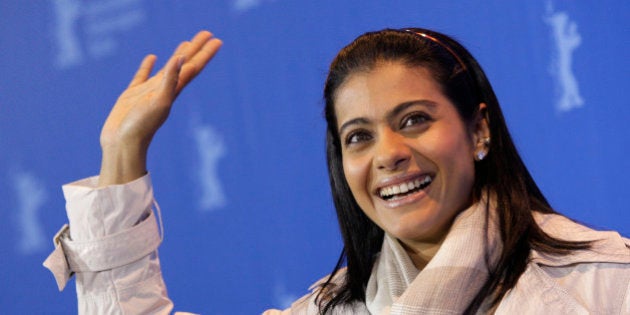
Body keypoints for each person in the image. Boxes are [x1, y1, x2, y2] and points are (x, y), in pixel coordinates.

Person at [44, 28, 630, 314]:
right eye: (359, 136)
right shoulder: (334, 310)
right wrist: (122, 153)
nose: (388, 154)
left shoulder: (603, 284)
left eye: (415, 119)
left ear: (479, 130)